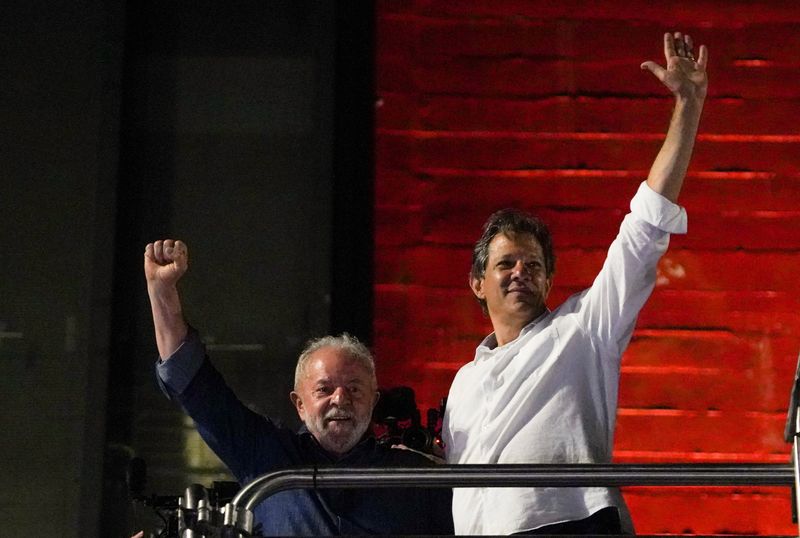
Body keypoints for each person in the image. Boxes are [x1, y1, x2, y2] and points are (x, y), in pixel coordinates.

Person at [442, 32, 709, 535]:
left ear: (549, 279)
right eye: (505, 264)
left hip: (572, 524)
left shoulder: (585, 328)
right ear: (477, 283)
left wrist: (688, 106)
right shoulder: (462, 384)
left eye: (533, 264)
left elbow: (644, 228)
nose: (520, 272)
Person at [143, 239, 454, 535]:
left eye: (355, 389)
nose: (340, 399)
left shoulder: (413, 474)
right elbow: (195, 385)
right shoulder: (267, 457)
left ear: (373, 402)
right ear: (299, 404)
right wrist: (161, 291)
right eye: (324, 389)